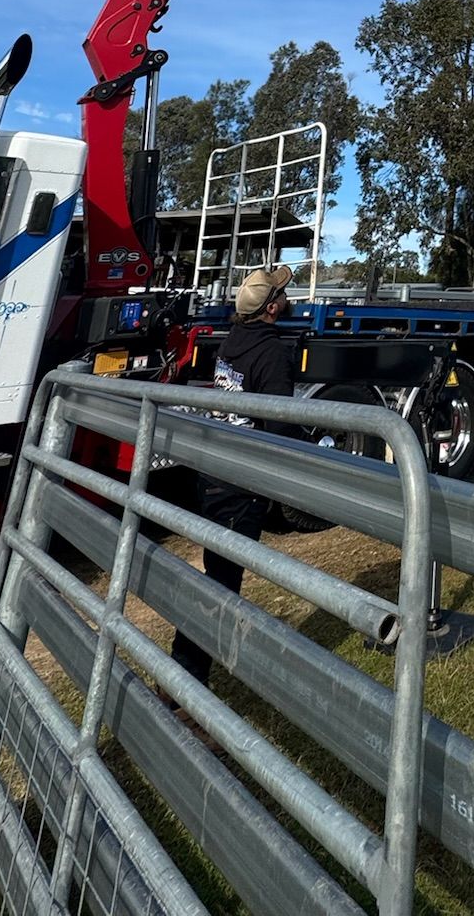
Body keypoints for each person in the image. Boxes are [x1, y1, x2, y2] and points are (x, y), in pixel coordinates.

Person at [170, 262, 296, 690]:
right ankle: (186, 678)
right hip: (242, 481)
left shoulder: (233, 341)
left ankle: (187, 672)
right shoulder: (273, 352)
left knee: (217, 574)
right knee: (222, 583)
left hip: (215, 472)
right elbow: (280, 424)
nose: (285, 297)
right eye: (281, 294)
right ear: (273, 309)